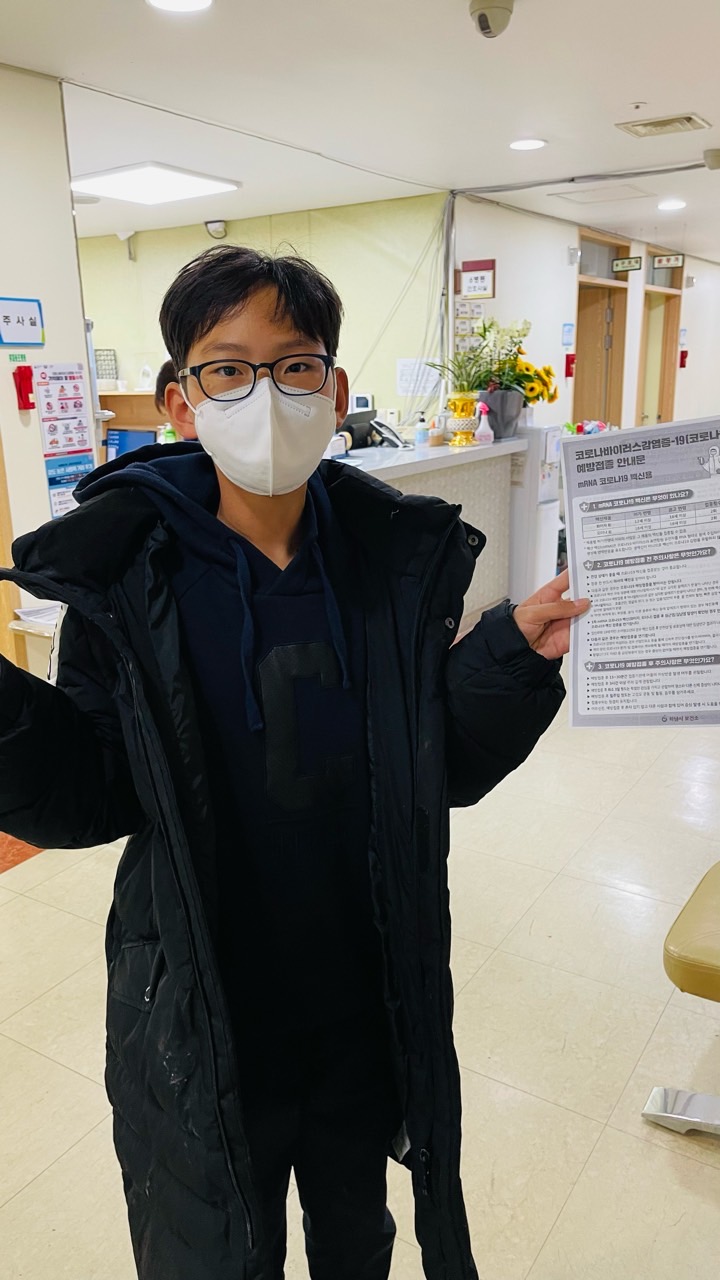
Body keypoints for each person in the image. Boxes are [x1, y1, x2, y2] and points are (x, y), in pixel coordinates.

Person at [0, 246, 589, 1280]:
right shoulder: (127, 574)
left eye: (294, 365)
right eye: (227, 369)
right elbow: (93, 790)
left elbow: (436, 766)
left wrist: (507, 655)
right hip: (200, 1004)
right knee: (215, 1248)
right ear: (181, 401)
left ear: (336, 389)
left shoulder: (387, 562)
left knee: (357, 1236)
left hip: (362, 991)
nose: (264, 394)